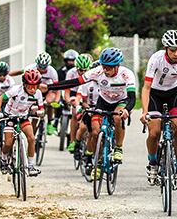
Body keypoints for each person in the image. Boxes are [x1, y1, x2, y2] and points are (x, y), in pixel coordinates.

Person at [49, 47, 137, 178]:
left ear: (117, 65)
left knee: (118, 118)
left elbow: (132, 97)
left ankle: (118, 148)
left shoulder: (126, 74)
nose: (105, 69)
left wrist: (126, 110)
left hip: (121, 101)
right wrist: (50, 87)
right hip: (103, 101)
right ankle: (98, 162)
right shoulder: (97, 71)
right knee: (95, 132)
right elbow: (73, 82)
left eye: (109, 67)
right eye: (104, 66)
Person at [140, 29, 177, 190]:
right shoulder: (156, 59)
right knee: (154, 133)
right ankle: (152, 163)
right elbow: (146, 87)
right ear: (166, 48)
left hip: (174, 94)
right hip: (155, 95)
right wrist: (144, 112)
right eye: (173, 50)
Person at [0, 68, 45, 176]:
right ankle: (3, 159)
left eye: (35, 86)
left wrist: (39, 112)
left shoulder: (38, 94)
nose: (32, 89)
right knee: (8, 143)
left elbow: (41, 108)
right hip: (10, 117)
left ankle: (31, 166)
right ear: (24, 84)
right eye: (29, 86)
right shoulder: (16, 90)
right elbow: (0, 98)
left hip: (23, 117)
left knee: (31, 138)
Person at [11, 53, 59, 135]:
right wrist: (7, 74)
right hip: (34, 90)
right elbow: (20, 73)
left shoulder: (52, 71)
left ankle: (50, 123)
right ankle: (32, 132)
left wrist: (57, 100)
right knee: (35, 110)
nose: (42, 69)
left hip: (48, 90)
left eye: (44, 67)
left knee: (49, 102)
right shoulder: (30, 68)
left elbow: (57, 88)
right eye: (40, 66)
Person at [64, 54, 95, 152]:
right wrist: (69, 101)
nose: (83, 72)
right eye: (80, 70)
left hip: (87, 94)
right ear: (76, 68)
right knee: (74, 112)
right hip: (74, 93)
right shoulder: (71, 73)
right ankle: (73, 141)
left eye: (86, 70)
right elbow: (67, 91)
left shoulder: (93, 74)